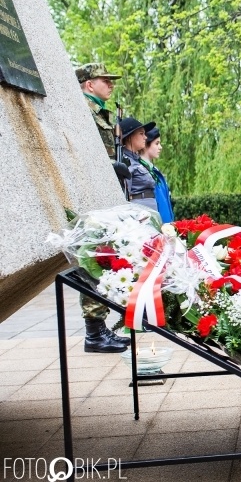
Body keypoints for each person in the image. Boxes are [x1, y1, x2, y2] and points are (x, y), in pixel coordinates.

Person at [75, 62, 130, 352]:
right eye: (104, 80)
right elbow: (80, 152)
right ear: (88, 84)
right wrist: (110, 165)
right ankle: (94, 333)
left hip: (103, 195)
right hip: (90, 195)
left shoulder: (101, 113)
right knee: (92, 260)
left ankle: (100, 329)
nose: (110, 84)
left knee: (104, 258)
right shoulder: (82, 111)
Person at [120, 117, 159, 213]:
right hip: (139, 213)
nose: (145, 137)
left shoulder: (137, 160)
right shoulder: (126, 161)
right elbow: (124, 195)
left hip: (148, 210)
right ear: (129, 137)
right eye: (141, 134)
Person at [140, 127, 175, 223]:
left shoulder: (154, 170)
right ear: (146, 144)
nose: (160, 147)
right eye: (156, 143)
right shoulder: (141, 171)